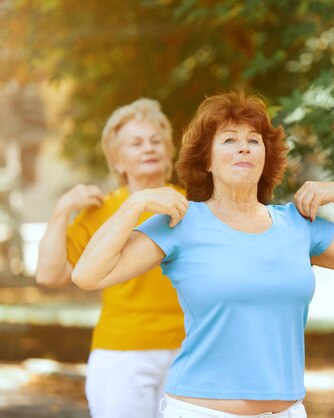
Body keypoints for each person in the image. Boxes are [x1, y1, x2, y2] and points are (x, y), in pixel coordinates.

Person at [71, 91, 334, 418]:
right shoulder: (182, 223)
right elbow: (88, 274)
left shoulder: (298, 225)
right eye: (229, 140)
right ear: (206, 160)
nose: (243, 146)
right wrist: (135, 204)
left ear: (265, 156)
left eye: (254, 139)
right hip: (202, 411)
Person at [35, 99, 185, 418]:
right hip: (122, 357)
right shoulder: (100, 209)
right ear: (117, 162)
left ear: (169, 152)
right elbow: (50, 276)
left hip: (189, 353)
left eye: (156, 141)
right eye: (136, 143)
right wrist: (63, 209)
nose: (149, 148)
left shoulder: (190, 205)